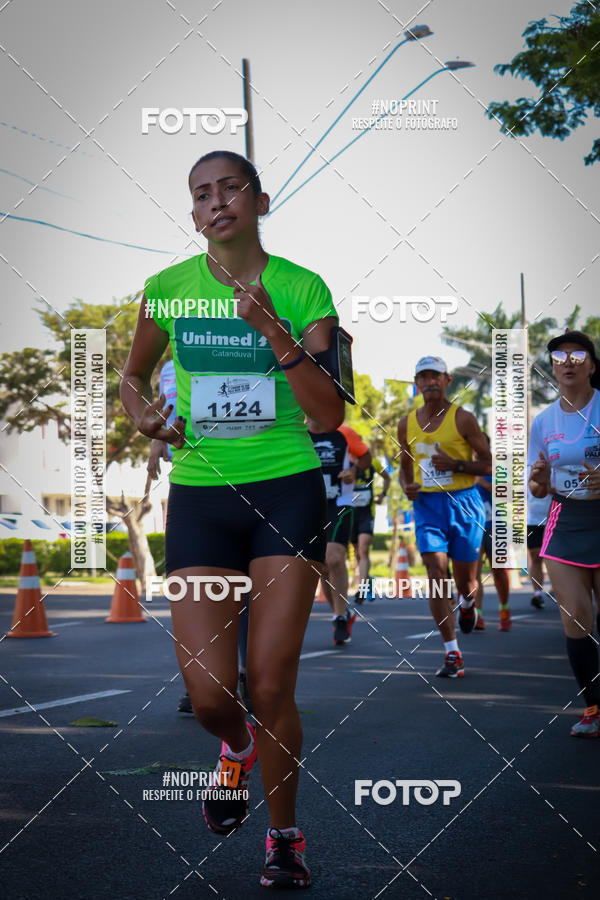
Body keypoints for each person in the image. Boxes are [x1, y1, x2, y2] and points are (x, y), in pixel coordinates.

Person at [121, 150, 346, 888]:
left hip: (285, 489)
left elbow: (329, 412)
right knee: (212, 695)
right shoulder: (169, 289)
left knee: (270, 685)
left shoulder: (303, 287)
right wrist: (142, 414)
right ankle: (235, 751)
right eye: (200, 195)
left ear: (260, 200)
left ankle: (285, 837)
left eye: (229, 189)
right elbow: (131, 375)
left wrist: (277, 331)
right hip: (202, 495)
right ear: (194, 213)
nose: (215, 203)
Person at [148, 361, 253, 716]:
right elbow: (163, 409)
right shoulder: (166, 368)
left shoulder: (237, 347)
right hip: (191, 481)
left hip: (248, 475)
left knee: (243, 590)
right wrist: (153, 450)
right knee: (200, 590)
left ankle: (246, 677)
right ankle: (205, 683)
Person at [397, 356, 491, 677]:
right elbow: (404, 470)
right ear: (416, 383)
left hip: (464, 503)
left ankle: (467, 605)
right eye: (423, 377)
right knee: (436, 573)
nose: (429, 382)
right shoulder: (405, 424)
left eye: (435, 376)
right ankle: (452, 652)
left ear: (447, 380)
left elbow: (490, 465)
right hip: (427, 506)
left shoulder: (463, 419)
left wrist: (458, 465)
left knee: (466, 582)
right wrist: (407, 487)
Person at [528, 330, 600, 738]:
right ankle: (593, 707)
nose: (568, 361)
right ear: (553, 367)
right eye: (559, 355)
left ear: (591, 364)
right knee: (577, 617)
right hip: (565, 519)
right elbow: (537, 486)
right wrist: (539, 480)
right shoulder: (544, 421)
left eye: (577, 354)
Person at [307, 419, 371, 644]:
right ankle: (342, 613)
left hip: (340, 502)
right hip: (310, 505)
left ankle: (339, 616)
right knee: (321, 566)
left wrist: (354, 470)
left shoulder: (344, 433)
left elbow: (366, 456)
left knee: (333, 557)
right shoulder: (297, 433)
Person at [474, 434, 511, 631]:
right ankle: (477, 615)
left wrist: (484, 483)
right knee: (473, 573)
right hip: (473, 526)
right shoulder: (465, 469)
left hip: (496, 525)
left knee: (498, 571)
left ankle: (504, 609)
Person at [350, 457, 390, 603]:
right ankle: (367, 579)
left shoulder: (372, 461)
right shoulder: (344, 462)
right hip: (350, 512)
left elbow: (387, 477)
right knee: (357, 552)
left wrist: (382, 495)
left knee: (363, 549)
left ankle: (362, 588)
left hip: (367, 513)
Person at [526, 487, 551, 610]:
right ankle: (537, 594)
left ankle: (560, 589)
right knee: (535, 557)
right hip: (532, 521)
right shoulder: (522, 470)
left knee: (553, 558)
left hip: (554, 518)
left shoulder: (554, 467)